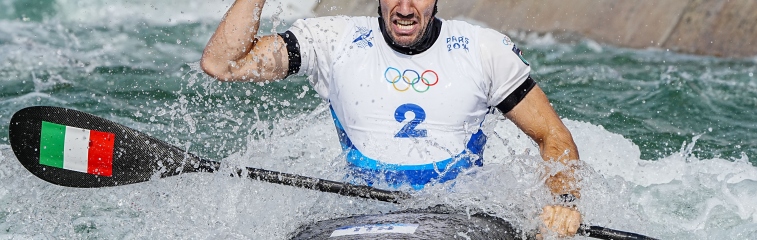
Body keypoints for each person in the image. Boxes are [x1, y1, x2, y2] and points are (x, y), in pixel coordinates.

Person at [200, 0, 582, 237]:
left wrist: (563, 202)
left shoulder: (482, 50)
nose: (404, 8)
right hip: (355, 210)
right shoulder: (333, 41)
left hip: (461, 213)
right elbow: (222, 64)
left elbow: (553, 137)